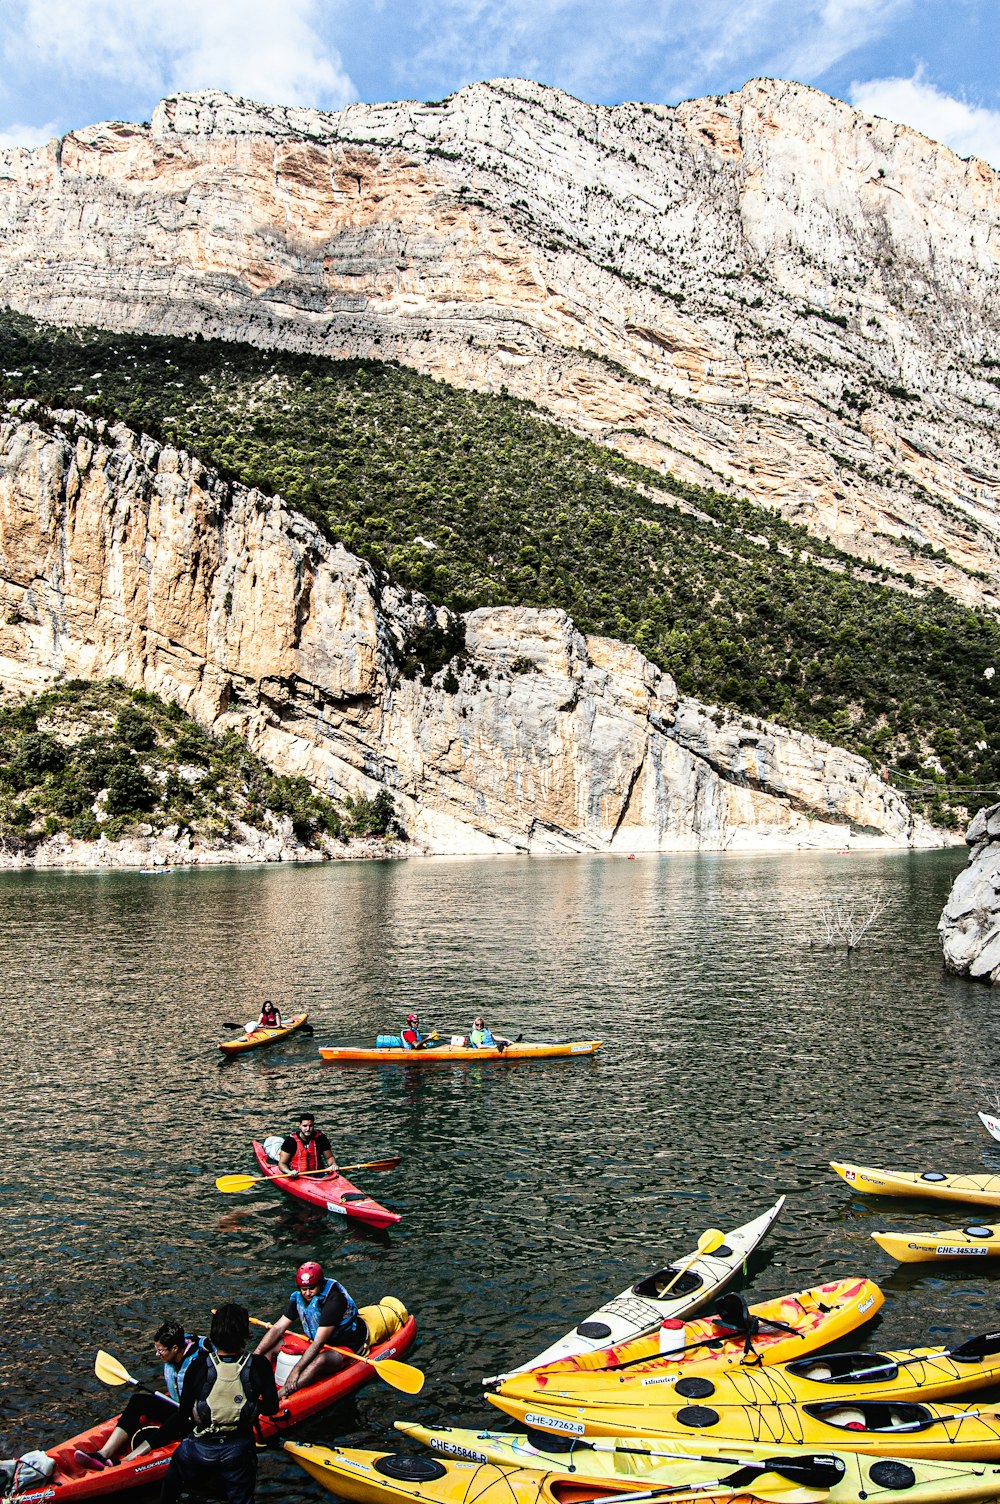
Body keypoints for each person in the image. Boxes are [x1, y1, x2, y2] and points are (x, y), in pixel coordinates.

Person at [159, 1303, 280, 1504]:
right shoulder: (259, 1365)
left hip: (197, 1450)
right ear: (244, 1333)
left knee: (172, 1483)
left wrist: (152, 1442)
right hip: (238, 1451)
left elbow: (183, 1414)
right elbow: (271, 1409)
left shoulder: (198, 1366)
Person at [74, 1321, 208, 1470]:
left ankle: (127, 1461)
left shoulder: (199, 1361)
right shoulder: (176, 1343)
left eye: (161, 1351)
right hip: (176, 1404)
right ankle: (103, 1454)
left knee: (174, 1420)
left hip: (195, 1417)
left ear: (175, 1348)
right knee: (137, 1400)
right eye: (156, 1349)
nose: (157, 1354)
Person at [253, 1262, 366, 1398]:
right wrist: (257, 1354)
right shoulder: (299, 1298)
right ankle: (260, 1384)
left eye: (312, 1288)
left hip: (342, 1346)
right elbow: (278, 1328)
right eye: (303, 1289)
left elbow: (319, 1342)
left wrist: (296, 1370)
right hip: (314, 1340)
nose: (307, 1293)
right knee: (272, 1346)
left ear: (321, 1284)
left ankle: (279, 1396)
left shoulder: (334, 1300)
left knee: (319, 1361)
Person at [277, 1114, 336, 1178]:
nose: (308, 1129)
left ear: (314, 1125)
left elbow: (329, 1157)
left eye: (311, 1126)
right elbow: (282, 1163)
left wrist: (333, 1165)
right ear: (299, 1126)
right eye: (305, 1126)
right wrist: (289, 1172)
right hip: (297, 1175)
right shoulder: (291, 1140)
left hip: (318, 1174)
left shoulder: (321, 1138)